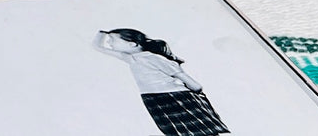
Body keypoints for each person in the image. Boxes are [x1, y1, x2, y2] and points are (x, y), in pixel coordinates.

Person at [94, 28, 230, 135]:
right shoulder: (130, 58)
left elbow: (186, 79)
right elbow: (98, 47)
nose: (109, 43)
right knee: (179, 132)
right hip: (153, 99)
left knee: (199, 131)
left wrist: (197, 91)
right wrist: (102, 32)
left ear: (132, 44)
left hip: (175, 97)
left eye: (112, 40)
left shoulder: (154, 58)